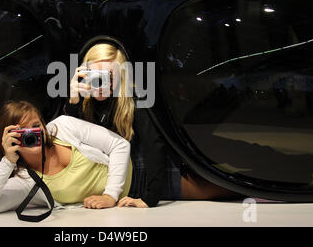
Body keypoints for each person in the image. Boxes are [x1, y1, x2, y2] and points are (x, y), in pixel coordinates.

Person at [64, 38, 242, 208]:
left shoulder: (135, 100)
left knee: (228, 186)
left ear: (122, 73)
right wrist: (72, 102)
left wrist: (150, 197)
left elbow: (153, 145)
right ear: (84, 73)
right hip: (122, 179)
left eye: (108, 74)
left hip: (156, 170)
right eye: (94, 74)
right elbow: (69, 142)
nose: (101, 82)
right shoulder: (82, 103)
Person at [0, 100, 133, 214]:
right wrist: (7, 161)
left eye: (36, 126)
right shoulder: (26, 181)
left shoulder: (63, 127)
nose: (32, 134)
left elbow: (120, 145)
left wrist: (110, 195)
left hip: (139, 182)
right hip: (123, 209)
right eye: (22, 131)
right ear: (8, 138)